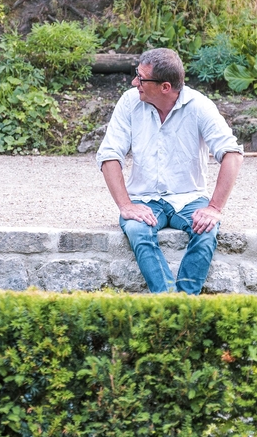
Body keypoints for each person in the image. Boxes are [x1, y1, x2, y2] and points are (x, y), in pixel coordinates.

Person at [96, 48, 245, 294]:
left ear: (165, 87)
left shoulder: (199, 106)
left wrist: (214, 208)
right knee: (136, 230)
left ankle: (183, 302)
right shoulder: (129, 101)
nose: (135, 83)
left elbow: (232, 154)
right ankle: (168, 302)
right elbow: (109, 155)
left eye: (142, 79)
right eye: (137, 75)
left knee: (207, 232)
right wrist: (126, 206)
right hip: (143, 198)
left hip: (189, 197)